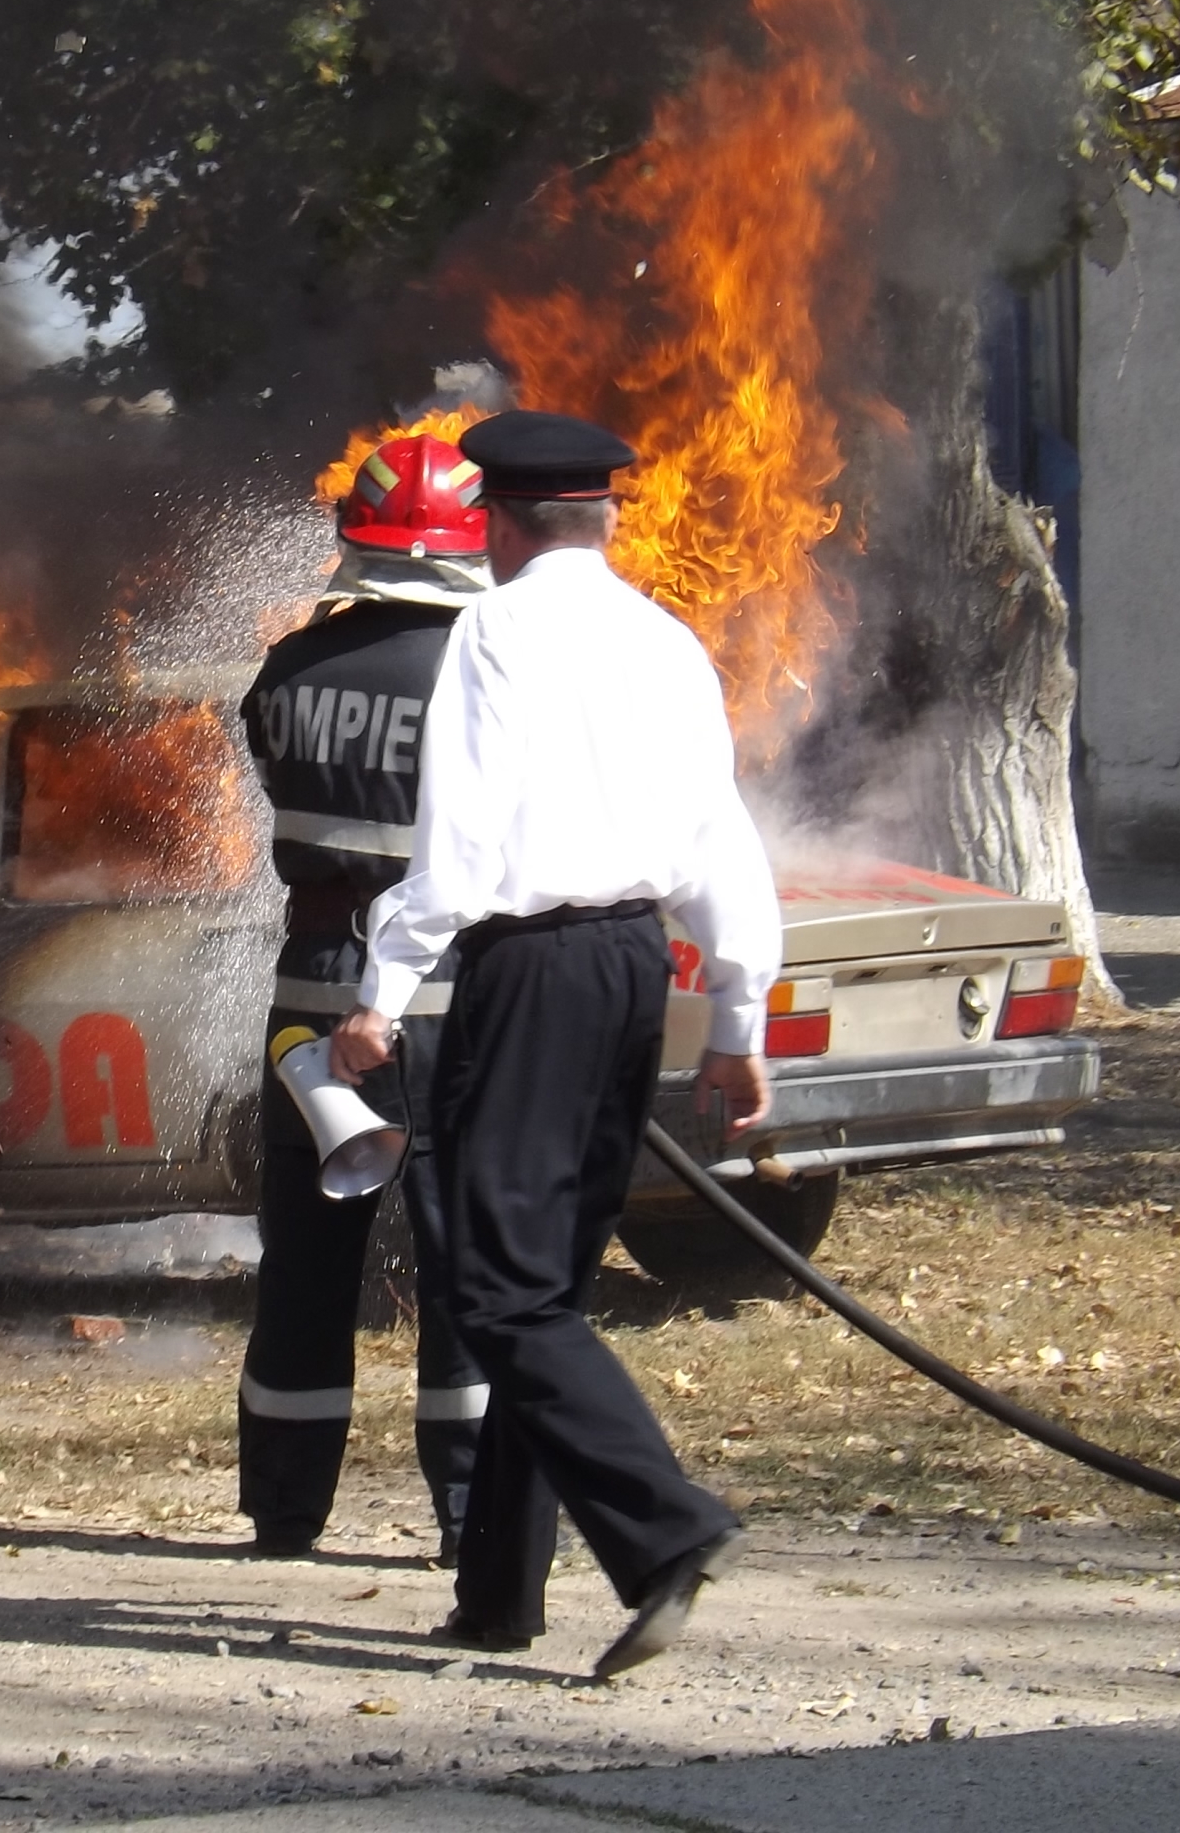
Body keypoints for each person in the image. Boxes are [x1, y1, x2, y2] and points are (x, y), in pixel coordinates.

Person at [328, 408, 781, 1682]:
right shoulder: (668, 642)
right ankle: (498, 1594)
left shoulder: (495, 629)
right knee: (547, 1288)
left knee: (500, 1290)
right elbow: (722, 839)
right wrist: (738, 1019)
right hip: (638, 965)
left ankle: (667, 1528)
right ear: (609, 516)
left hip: (529, 972)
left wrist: (385, 984)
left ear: (497, 523)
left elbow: (459, 834)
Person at [234, 431, 528, 1621]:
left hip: (308, 1005)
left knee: (305, 1262)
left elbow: (271, 782)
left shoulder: (286, 671)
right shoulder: (488, 674)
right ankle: (465, 1512)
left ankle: (284, 1508)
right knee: (465, 1268)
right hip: (451, 1006)